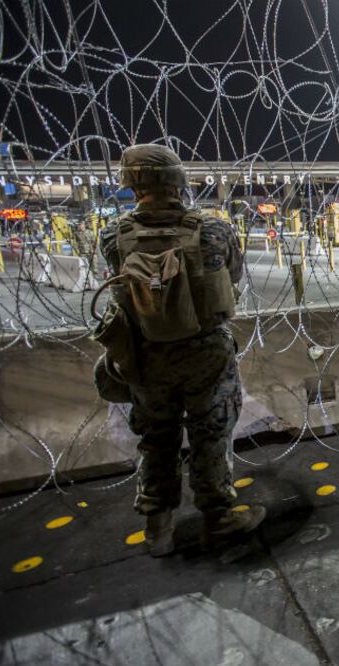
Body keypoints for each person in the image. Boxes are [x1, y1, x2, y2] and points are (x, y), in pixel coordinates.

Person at [99, 144, 264, 557]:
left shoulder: (113, 236)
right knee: (210, 435)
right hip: (205, 352)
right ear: (178, 180)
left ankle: (158, 527)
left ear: (131, 184)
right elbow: (234, 276)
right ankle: (219, 518)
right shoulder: (214, 230)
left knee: (156, 438)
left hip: (146, 355)